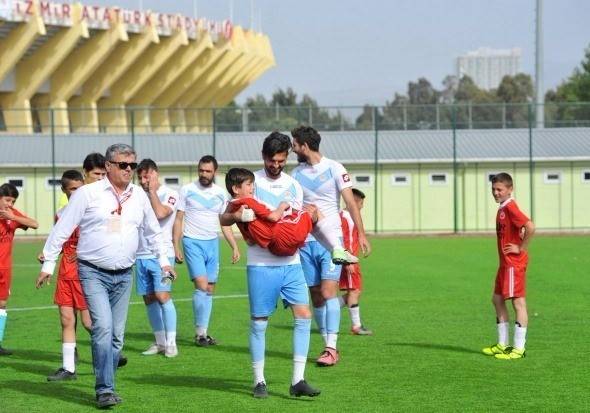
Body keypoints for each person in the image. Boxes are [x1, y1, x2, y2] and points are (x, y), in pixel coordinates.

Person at [37, 143, 174, 408]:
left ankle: (105, 379)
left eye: (132, 165)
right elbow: (62, 229)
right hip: (92, 272)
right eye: (123, 164)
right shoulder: (87, 194)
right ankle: (105, 389)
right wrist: (48, 264)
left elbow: (153, 230)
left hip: (124, 274)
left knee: (117, 337)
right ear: (109, 166)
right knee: (102, 328)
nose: (129, 169)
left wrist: (164, 262)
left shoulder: (139, 195)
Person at [220, 131, 320, 399]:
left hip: (292, 264)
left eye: (281, 160)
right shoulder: (248, 183)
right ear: (263, 156)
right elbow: (224, 218)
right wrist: (237, 215)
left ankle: (298, 380)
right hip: (261, 265)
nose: (276, 165)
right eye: (271, 160)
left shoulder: (294, 185)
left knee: (304, 316)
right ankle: (259, 381)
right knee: (259, 322)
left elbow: (295, 220)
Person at [291, 125, 371, 367]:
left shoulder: (335, 168)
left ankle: (331, 348)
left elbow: (351, 203)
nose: (292, 149)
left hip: (331, 243)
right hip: (305, 242)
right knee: (316, 296)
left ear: (305, 146)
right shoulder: (295, 174)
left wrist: (361, 234)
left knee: (328, 293)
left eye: (295, 145)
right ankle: (327, 344)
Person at [172, 155, 240, 347]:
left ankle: (203, 332)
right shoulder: (187, 190)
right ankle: (199, 334)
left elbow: (224, 223)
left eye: (208, 171)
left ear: (214, 172)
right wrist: (176, 245)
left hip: (212, 243)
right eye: (201, 170)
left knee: (210, 288)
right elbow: (178, 219)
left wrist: (234, 246)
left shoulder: (220, 194)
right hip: (192, 242)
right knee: (201, 285)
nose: (204, 174)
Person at [224, 167, 357, 260]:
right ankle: (337, 248)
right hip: (283, 235)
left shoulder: (233, 206)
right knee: (313, 211)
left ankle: (337, 251)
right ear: (236, 189)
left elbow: (249, 240)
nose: (252, 188)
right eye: (249, 185)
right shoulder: (248, 201)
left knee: (302, 220)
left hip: (274, 248)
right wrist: (283, 206)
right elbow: (273, 217)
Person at [39, 170, 92, 381]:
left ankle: (112, 353)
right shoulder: (61, 214)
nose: (77, 193)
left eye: (80, 188)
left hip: (85, 273)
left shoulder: (91, 211)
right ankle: (68, 368)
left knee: (89, 323)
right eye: (72, 189)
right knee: (66, 319)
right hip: (65, 274)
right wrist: (47, 258)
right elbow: (58, 240)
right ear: (64, 190)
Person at [482, 173, 535, 360]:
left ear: (510, 189)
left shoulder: (511, 207)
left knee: (518, 303)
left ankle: (519, 349)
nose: (496, 193)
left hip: (513, 264)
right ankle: (502, 345)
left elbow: (530, 226)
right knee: (497, 299)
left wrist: (520, 248)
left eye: (499, 189)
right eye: (493, 189)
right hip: (504, 264)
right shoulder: (503, 207)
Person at [136, 159, 179, 358]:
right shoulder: (136, 195)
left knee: (163, 296)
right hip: (140, 255)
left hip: (164, 255)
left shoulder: (170, 194)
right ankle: (160, 342)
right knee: (149, 298)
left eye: (147, 176)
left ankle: (171, 343)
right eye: (140, 178)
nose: (144, 181)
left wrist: (152, 191)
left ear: (156, 173)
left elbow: (161, 213)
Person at [0, 183, 39, 355]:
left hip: (5, 268)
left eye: (13, 201)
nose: (10, 204)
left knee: (2, 304)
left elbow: (35, 224)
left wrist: (13, 217)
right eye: (7, 200)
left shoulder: (12, 215)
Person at [339, 188, 372, 336]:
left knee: (354, 292)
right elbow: (344, 240)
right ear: (354, 202)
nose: (362, 207)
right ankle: (356, 326)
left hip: (352, 259)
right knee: (354, 291)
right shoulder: (345, 217)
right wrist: (348, 262)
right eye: (361, 203)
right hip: (349, 260)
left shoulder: (349, 217)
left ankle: (327, 309)